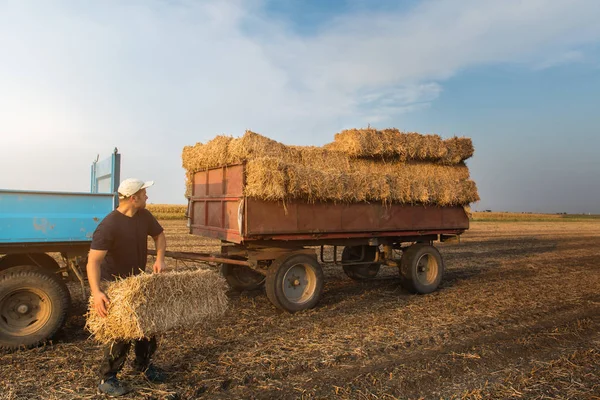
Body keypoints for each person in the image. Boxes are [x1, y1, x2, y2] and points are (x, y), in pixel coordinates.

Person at [87, 178, 167, 397]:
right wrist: (96, 293)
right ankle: (107, 379)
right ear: (134, 198)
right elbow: (92, 262)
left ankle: (143, 366)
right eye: (144, 193)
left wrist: (159, 259)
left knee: (146, 328)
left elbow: (159, 235)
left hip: (137, 283)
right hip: (116, 286)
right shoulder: (109, 225)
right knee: (120, 336)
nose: (147, 197)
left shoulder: (144, 216)